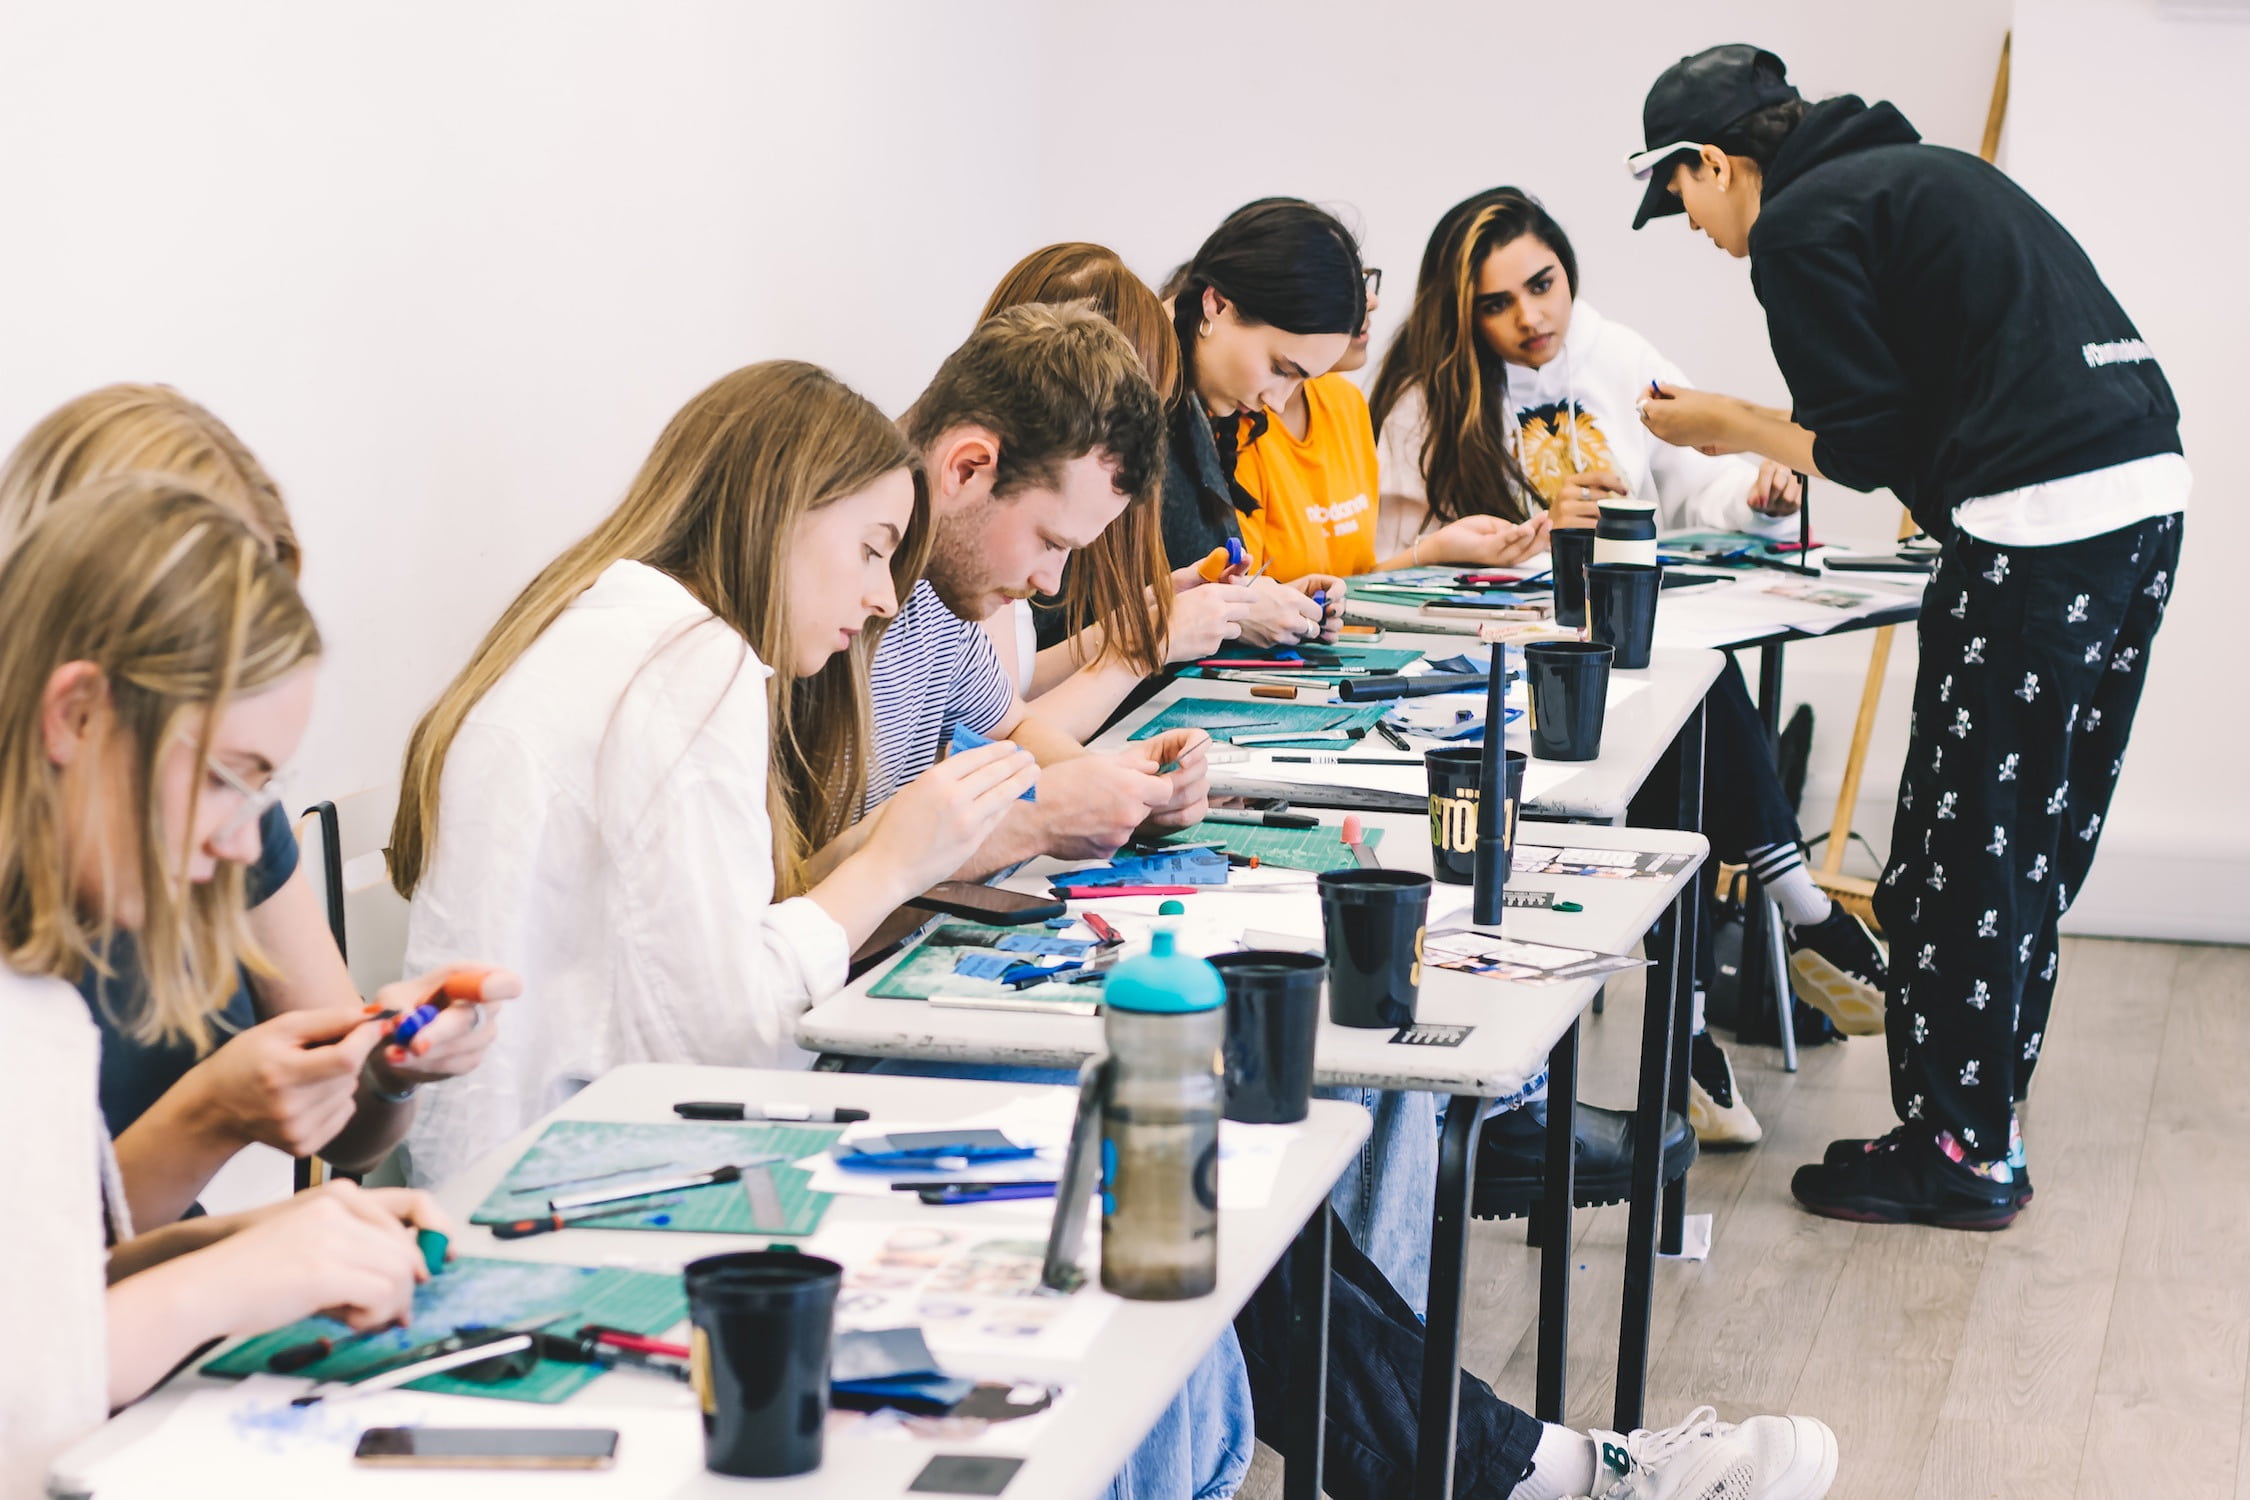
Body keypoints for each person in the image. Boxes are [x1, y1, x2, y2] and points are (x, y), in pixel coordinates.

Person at [1629, 44, 2187, 1227]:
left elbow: (1866, 447)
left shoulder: (1804, 224)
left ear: (1718, 164)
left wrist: (1730, 423)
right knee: (2024, 846)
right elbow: (1927, 404)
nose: (1688, 224)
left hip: (2041, 519)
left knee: (1955, 857)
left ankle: (1962, 1153)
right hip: (2140, 493)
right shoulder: (1918, 176)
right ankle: (1977, 1129)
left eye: (1677, 193)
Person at [388, 361, 1038, 1188]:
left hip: (521, 1166)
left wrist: (854, 855)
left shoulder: (615, 624)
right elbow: (723, 1040)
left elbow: (663, 957)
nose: (884, 597)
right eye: (873, 551)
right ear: (782, 512)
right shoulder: (690, 663)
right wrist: (889, 868)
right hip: (567, 1191)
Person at [1370, 187, 1892, 1150]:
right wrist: (1537, 538)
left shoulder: (1618, 357)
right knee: (1678, 707)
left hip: (1626, 661)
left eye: (1544, 284)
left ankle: (1695, 1029)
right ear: (1461, 314)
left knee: (1680, 703)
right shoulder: (1423, 405)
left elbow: (1702, 480)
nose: (1532, 317)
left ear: (1570, 273)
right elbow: (1398, 569)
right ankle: (1792, 914)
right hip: (1499, 670)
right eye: (1498, 303)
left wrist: (1763, 490)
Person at [1, 475, 453, 1492]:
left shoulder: (37, 994)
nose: (246, 840)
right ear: (76, 713)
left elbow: (35, 1297)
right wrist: (231, 1278)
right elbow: (23, 1394)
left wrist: (282, 1236)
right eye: (224, 777)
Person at [0, 384, 516, 1226]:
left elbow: (347, 1126)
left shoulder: (226, 817)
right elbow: (40, 1284)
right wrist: (211, 1121)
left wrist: (385, 1069)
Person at [849, 301, 1214, 875]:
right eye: (1049, 541)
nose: (1051, 582)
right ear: (968, 469)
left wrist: (1119, 790)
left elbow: (1009, 726)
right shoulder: (824, 596)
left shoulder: (941, 587)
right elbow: (789, 895)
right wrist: (1036, 822)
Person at [972, 244, 1262, 742]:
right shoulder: (977, 531)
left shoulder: (1000, 507)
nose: (1048, 579)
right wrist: (1144, 644)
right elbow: (992, 744)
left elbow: (1007, 687)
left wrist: (1147, 613)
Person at [1152, 198, 1358, 642]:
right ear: (1217, 305)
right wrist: (1239, 615)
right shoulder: (1134, 399)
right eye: (1281, 370)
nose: (1278, 402)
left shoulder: (1188, 399)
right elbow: (1070, 623)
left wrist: (1269, 600)